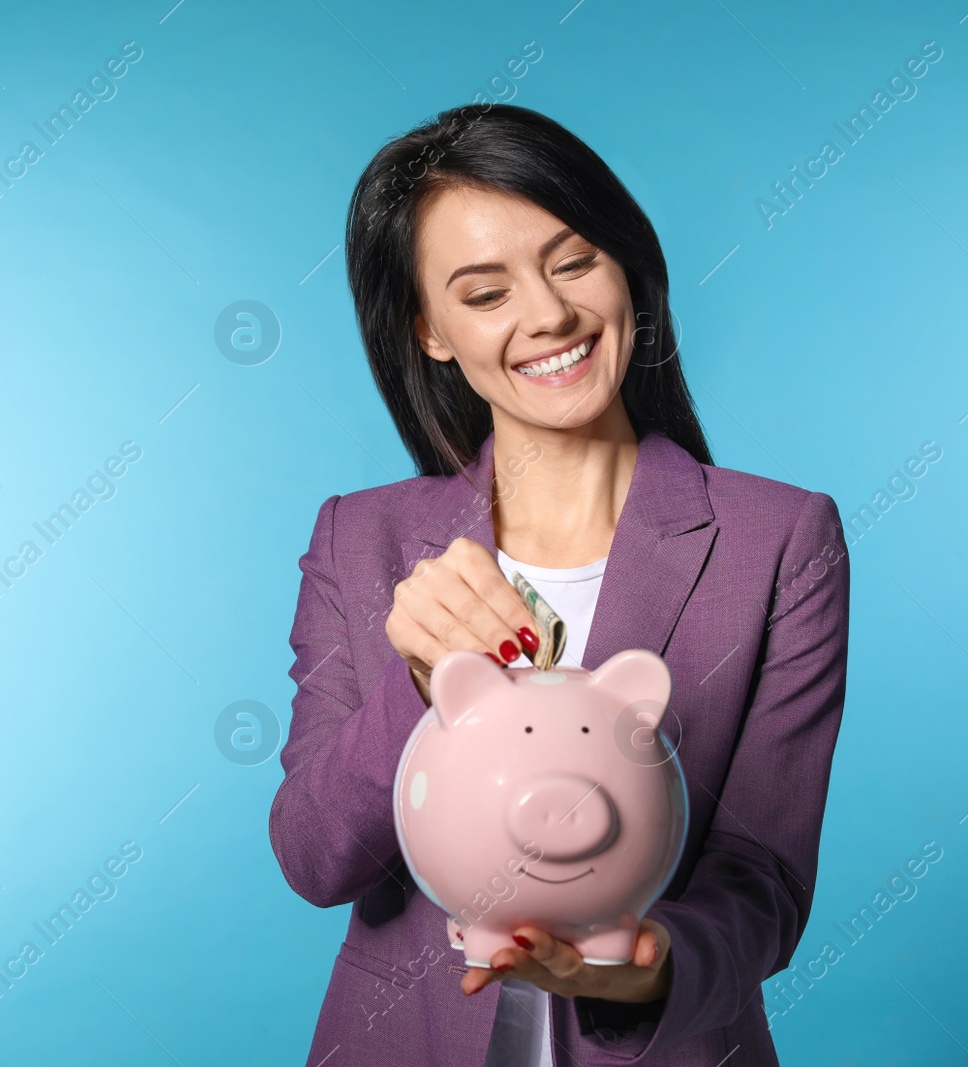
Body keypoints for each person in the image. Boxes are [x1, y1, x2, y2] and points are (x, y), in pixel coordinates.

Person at [268, 102, 850, 1066]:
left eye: (574, 260)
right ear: (431, 331)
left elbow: (766, 877)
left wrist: (645, 962)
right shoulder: (360, 540)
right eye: (484, 293)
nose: (547, 315)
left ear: (627, 266)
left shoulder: (781, 538)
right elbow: (315, 858)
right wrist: (413, 687)